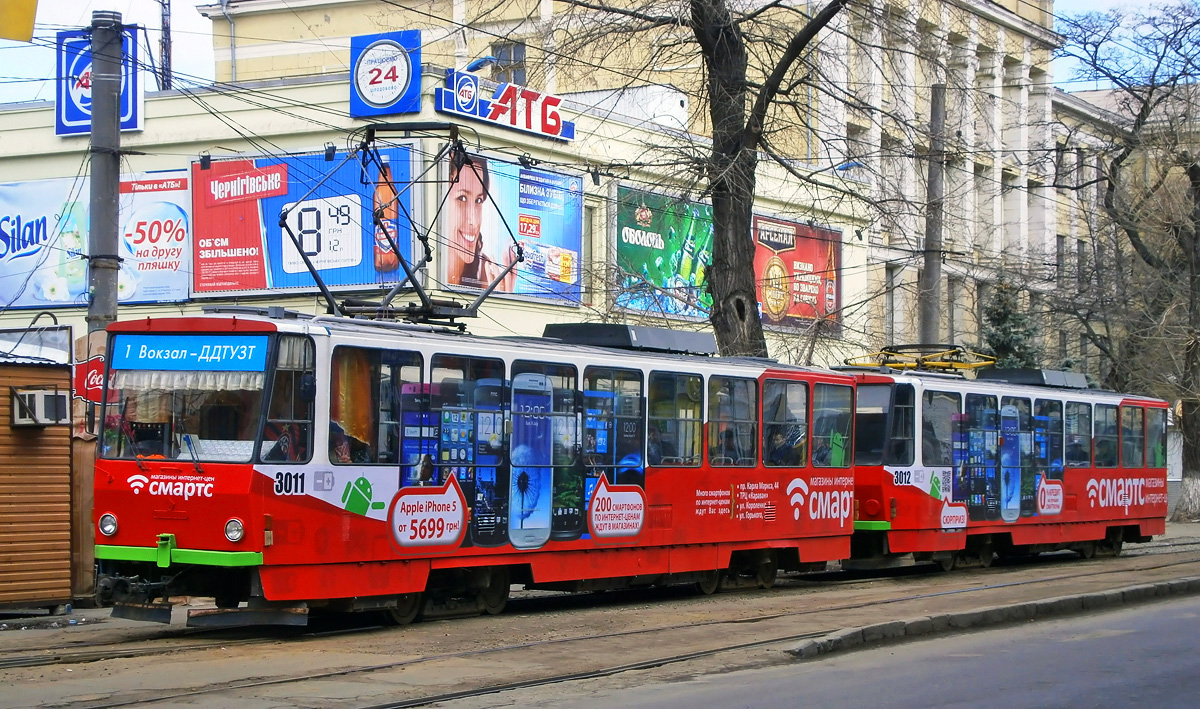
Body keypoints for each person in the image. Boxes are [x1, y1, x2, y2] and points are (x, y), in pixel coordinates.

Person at [445, 154, 517, 292]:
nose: (473, 220)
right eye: (462, 198)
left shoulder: (489, 276)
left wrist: (505, 300)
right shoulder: (420, 266)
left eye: (479, 200)